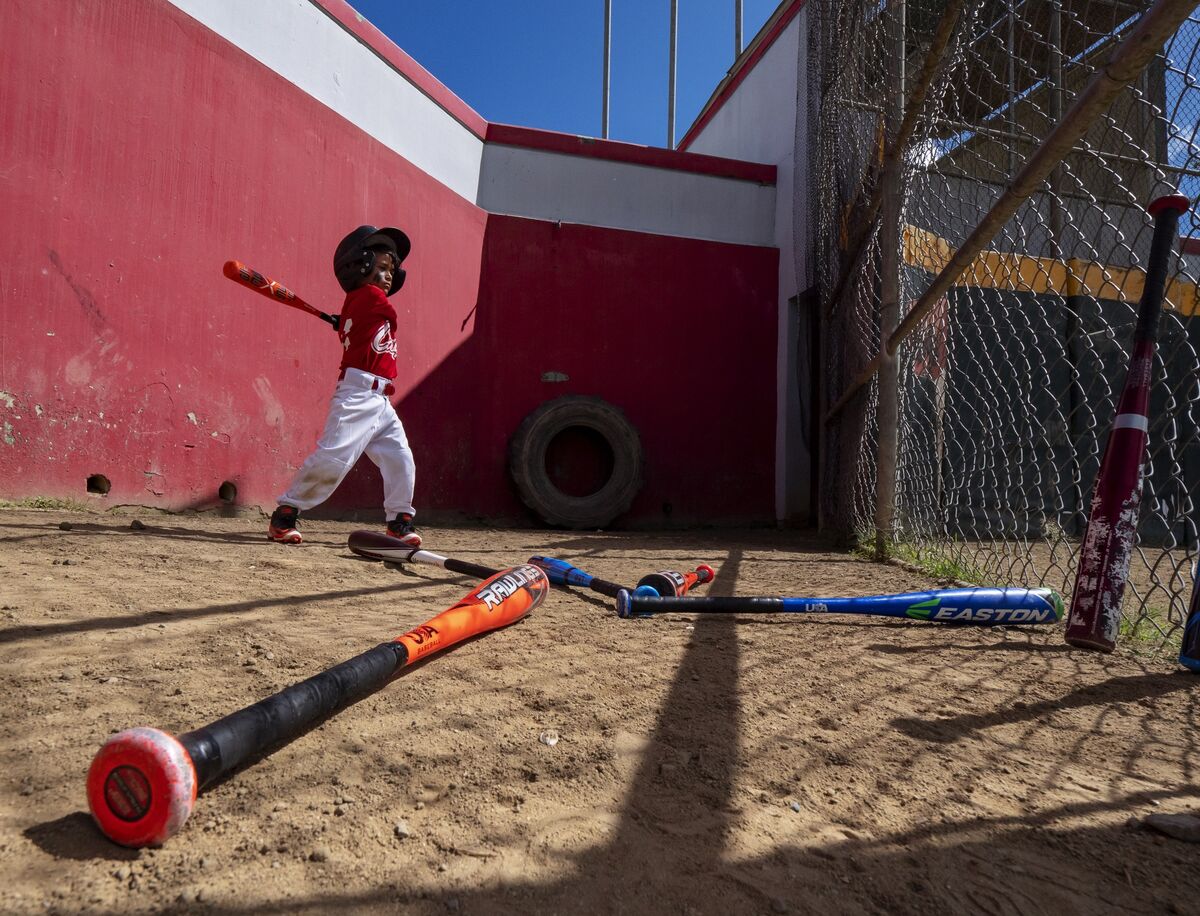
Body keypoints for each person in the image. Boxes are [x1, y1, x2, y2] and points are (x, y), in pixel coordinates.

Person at [267, 225, 420, 547]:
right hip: (358, 395)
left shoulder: (363, 302)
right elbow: (385, 314)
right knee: (334, 458)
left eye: (391, 270)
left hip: (382, 401)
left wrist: (348, 318)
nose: (389, 276)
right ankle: (286, 513)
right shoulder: (369, 298)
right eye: (381, 268)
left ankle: (399, 521)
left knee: (400, 457)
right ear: (358, 267)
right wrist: (350, 315)